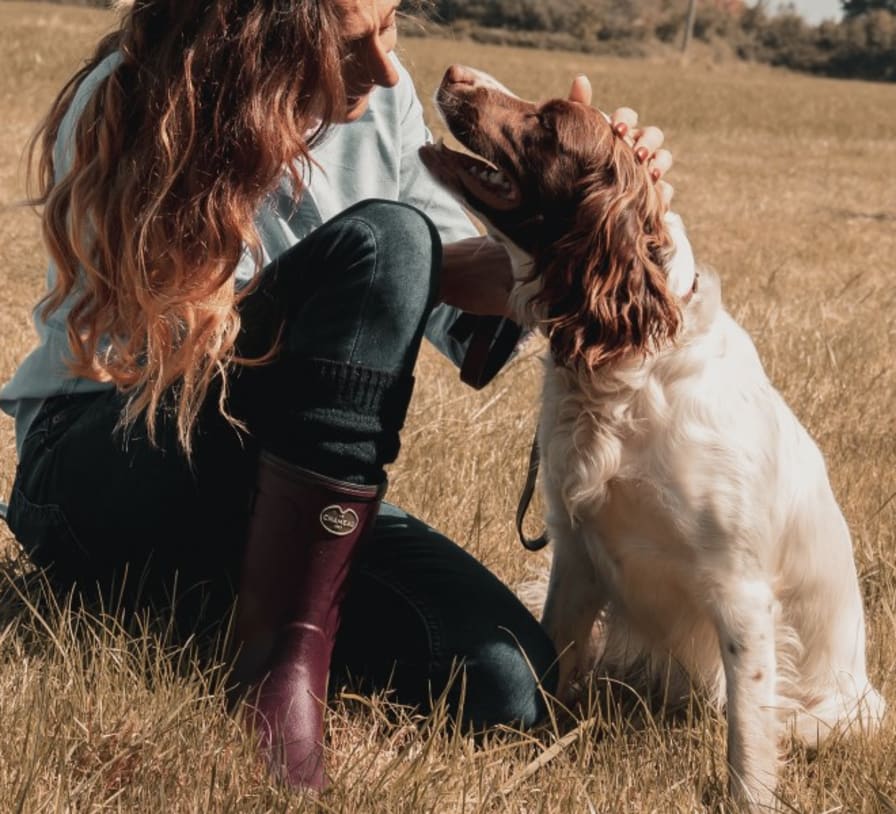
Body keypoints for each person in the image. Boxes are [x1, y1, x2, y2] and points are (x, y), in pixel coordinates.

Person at [0, 0, 673, 792]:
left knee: (506, 682)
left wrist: (588, 208)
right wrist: (387, 261)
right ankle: (277, 668)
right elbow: (184, 355)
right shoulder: (144, 96)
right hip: (110, 460)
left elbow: (456, 305)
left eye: (392, 25)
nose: (391, 66)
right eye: (361, 41)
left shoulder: (382, 103)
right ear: (270, 33)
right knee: (388, 241)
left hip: (285, 488)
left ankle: (223, 606)